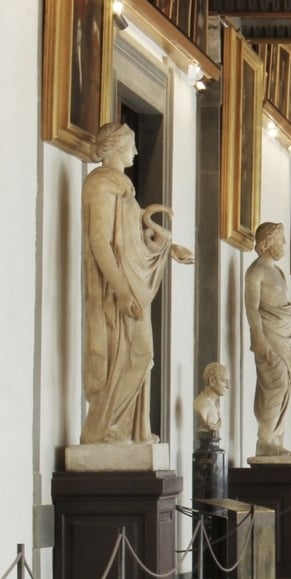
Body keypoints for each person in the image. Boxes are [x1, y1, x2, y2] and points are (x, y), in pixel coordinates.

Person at [80, 122, 193, 445]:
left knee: (140, 355)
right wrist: (121, 290)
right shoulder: (101, 185)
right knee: (131, 353)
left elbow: (130, 238)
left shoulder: (121, 186)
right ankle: (106, 426)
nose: (137, 151)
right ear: (115, 147)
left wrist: (167, 247)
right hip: (114, 292)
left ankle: (128, 427)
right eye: (131, 145)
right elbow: (100, 242)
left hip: (129, 285)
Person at [244, 221, 291, 457]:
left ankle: (275, 438)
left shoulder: (277, 270)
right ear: (268, 242)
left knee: (286, 386)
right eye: (280, 239)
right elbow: (252, 309)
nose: (284, 243)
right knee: (275, 386)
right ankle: (264, 440)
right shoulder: (256, 271)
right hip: (268, 338)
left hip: (284, 338)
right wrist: (259, 340)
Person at [193, 362, 230, 436]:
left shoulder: (215, 405)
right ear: (212, 380)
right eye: (224, 381)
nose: (228, 386)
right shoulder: (201, 405)